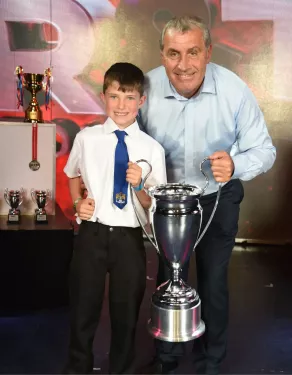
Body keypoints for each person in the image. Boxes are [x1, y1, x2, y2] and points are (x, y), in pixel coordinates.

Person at [138, 15, 276, 375]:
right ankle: (166, 358)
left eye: (193, 52)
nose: (183, 65)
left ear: (209, 52)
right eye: (173, 53)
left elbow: (264, 150)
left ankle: (210, 362)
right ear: (162, 53)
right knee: (169, 277)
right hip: (167, 204)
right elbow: (126, 142)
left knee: (213, 281)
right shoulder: (146, 88)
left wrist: (235, 166)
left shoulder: (234, 90)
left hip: (217, 197)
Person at [63, 62, 167, 374]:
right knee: (83, 310)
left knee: (125, 314)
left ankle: (121, 369)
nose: (121, 106)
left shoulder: (152, 149)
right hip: (92, 236)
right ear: (103, 97)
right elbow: (72, 174)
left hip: (128, 240)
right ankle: (77, 367)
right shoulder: (87, 138)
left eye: (130, 98)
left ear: (141, 101)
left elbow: (153, 205)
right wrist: (78, 202)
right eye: (114, 97)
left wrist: (138, 186)